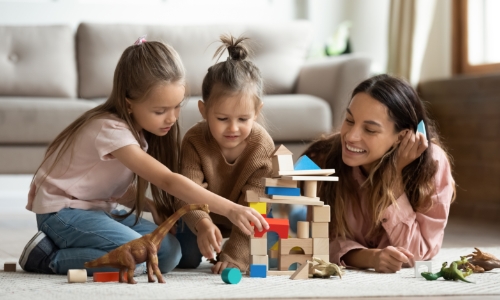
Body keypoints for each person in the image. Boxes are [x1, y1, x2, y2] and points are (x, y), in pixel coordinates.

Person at [18, 37, 268, 276]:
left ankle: (66, 247)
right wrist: (232, 210)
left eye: (177, 106)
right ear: (129, 104)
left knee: (169, 253)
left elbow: (100, 185)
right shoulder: (110, 130)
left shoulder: (139, 134)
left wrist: (150, 206)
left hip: (96, 210)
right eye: (160, 111)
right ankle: (48, 257)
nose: (171, 118)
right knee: (140, 254)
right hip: (61, 213)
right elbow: (169, 181)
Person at [302, 74, 456, 273]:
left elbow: (417, 253)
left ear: (402, 136)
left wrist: (393, 180)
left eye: (370, 130)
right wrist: (367, 257)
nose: (351, 136)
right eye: (349, 120)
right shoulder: (319, 160)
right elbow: (308, 240)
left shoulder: (432, 164)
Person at [173, 34, 275, 274]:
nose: (233, 128)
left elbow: (256, 206)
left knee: (265, 245)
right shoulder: (194, 140)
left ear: (257, 111)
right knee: (185, 256)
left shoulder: (261, 146)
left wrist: (235, 255)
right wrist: (203, 223)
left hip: (242, 220)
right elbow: (185, 192)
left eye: (243, 119)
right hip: (199, 215)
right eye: (222, 119)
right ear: (204, 110)